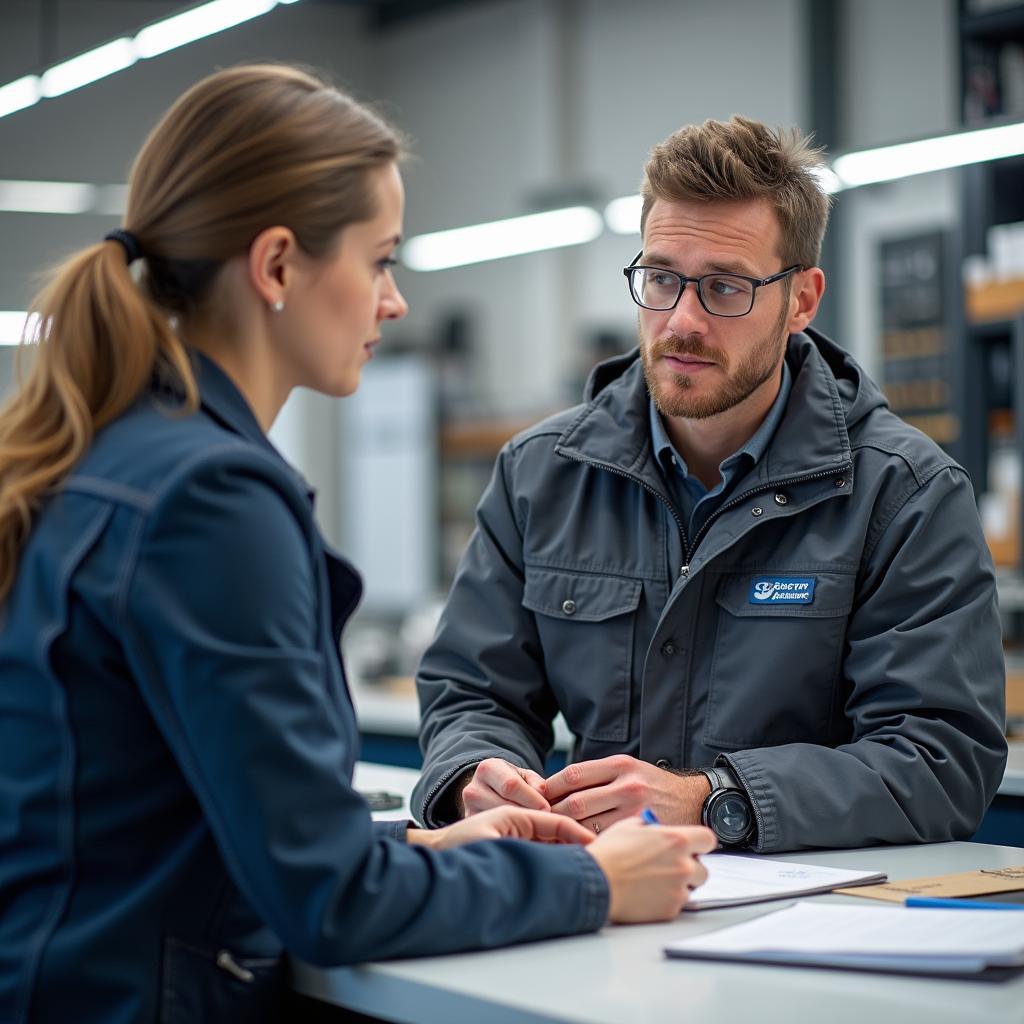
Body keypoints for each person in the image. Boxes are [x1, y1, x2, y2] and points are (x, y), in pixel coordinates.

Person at [0, 65, 716, 1023]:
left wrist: (421, 852)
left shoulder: (113, 452)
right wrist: (600, 885)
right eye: (379, 260)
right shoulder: (211, 500)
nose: (395, 301)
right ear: (279, 266)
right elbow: (329, 902)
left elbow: (181, 826)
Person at [414, 115, 1008, 853]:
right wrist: (478, 771)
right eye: (661, 279)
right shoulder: (540, 476)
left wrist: (715, 800)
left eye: (725, 288)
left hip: (801, 936)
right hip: (592, 904)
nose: (682, 322)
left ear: (802, 300)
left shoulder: (905, 495)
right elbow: (473, 691)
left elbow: (940, 760)